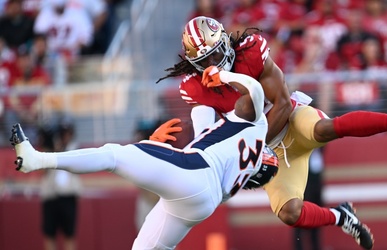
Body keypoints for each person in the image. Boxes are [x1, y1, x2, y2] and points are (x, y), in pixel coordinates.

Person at [156, 16, 387, 250]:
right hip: (264, 149)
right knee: (290, 213)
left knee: (324, 128)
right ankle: (342, 217)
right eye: (205, 60)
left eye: (216, 53)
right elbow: (204, 138)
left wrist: (255, 149)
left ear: (225, 42)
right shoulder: (195, 87)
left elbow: (281, 103)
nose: (213, 64)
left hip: (288, 121)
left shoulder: (250, 52)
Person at [10, 66, 280, 250]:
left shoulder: (258, 129)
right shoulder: (240, 161)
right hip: (202, 202)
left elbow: (254, 90)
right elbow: (203, 118)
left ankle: (38, 160)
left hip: (196, 172)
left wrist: (221, 73)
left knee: (114, 154)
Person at [38, 118, 81, 250]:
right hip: (50, 196)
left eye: (68, 133)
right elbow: (42, 171)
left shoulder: (74, 148)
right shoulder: (49, 151)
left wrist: (58, 149)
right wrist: (47, 148)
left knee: (69, 234)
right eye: (63, 133)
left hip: (68, 196)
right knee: (49, 234)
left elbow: (72, 162)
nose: (65, 136)